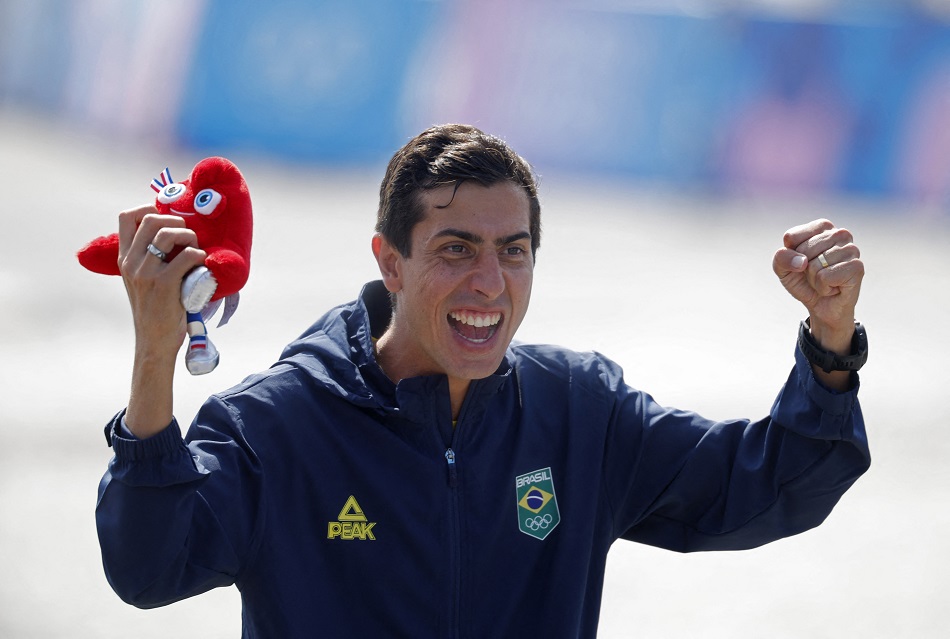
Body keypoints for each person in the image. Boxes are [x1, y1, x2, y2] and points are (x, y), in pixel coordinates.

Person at [95, 124, 870, 637]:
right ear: (390, 261)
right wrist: (156, 359)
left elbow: (771, 483)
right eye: (457, 249)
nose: (490, 284)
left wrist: (830, 343)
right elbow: (148, 567)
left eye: (515, 250)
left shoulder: (581, 412)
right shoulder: (275, 426)